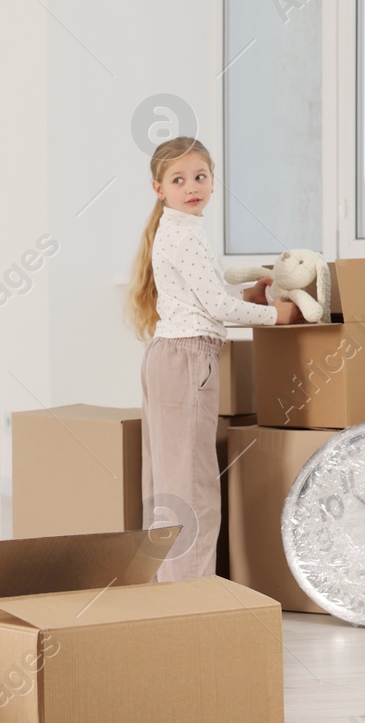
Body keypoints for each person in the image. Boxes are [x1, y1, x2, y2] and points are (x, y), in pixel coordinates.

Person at [124, 137, 300, 581]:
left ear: (213, 179)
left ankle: (168, 590)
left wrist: (245, 296)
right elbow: (216, 311)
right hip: (187, 361)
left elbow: (204, 299)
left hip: (169, 357)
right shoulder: (185, 235)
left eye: (199, 176)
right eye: (178, 180)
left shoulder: (177, 229)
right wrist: (275, 315)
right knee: (194, 487)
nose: (191, 187)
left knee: (169, 484)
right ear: (159, 189)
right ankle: (191, 597)